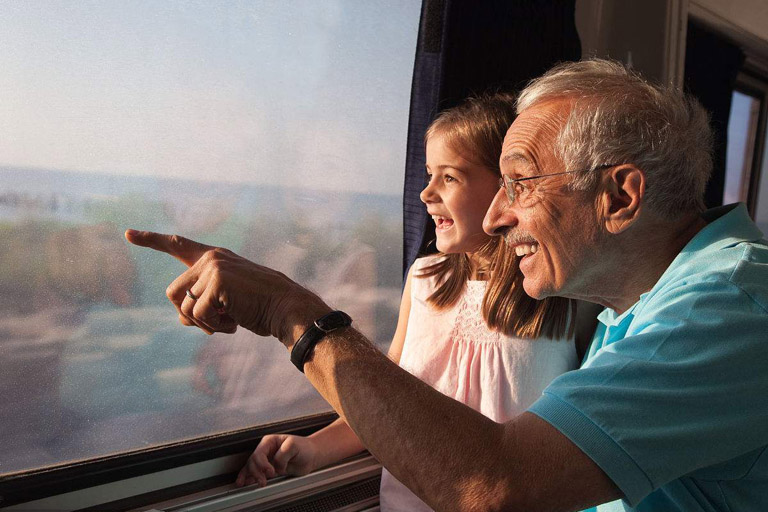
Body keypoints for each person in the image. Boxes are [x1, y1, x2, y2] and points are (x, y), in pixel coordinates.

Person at [126, 58, 768, 511]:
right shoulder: (638, 311)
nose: (494, 217)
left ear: (619, 197)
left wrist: (290, 311)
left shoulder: (727, 309)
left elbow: (494, 486)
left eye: (520, 183)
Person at [233, 93, 579, 510]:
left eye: (449, 177)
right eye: (429, 174)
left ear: (507, 185)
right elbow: (387, 405)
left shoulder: (562, 296)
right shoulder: (423, 281)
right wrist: (312, 450)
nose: (426, 193)